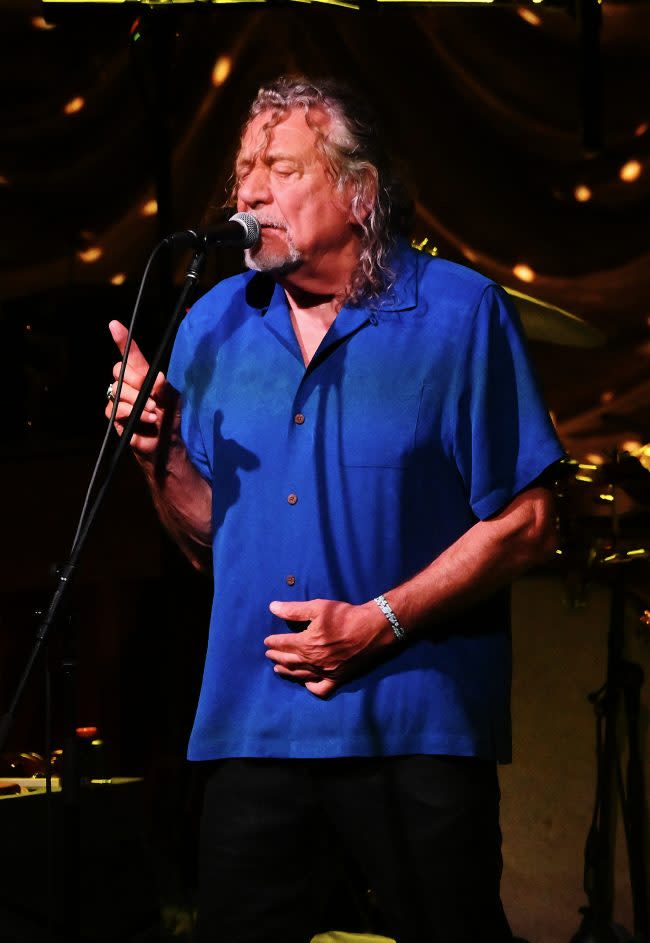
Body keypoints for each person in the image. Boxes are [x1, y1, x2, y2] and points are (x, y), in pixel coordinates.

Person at [106, 76, 564, 943]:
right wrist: (158, 454)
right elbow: (212, 539)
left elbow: (528, 520)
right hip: (253, 730)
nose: (246, 191)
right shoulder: (209, 326)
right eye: (243, 168)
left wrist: (378, 622)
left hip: (415, 729)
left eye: (278, 166)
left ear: (359, 192)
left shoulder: (459, 314)